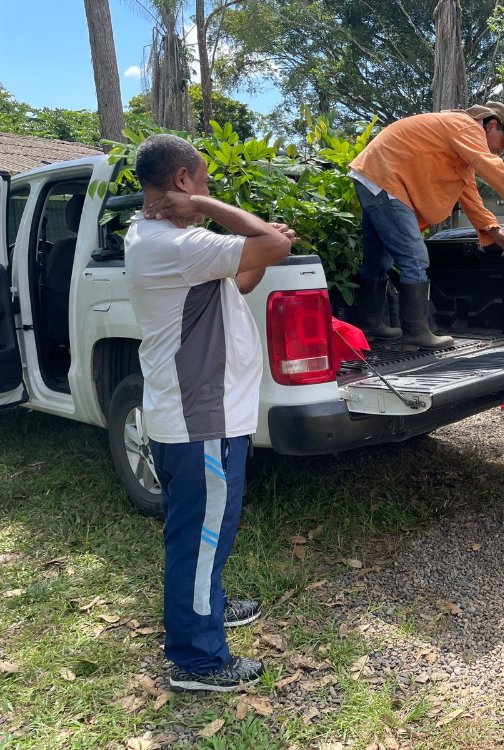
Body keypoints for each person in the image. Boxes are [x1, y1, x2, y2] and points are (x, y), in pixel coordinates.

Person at [125, 134, 295, 691]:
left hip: (196, 415)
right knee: (201, 536)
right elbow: (269, 242)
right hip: (202, 421)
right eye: (202, 183)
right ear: (182, 183)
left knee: (198, 532)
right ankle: (199, 659)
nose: (206, 191)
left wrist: (263, 247)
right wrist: (206, 210)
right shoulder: (176, 243)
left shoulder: (165, 242)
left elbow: (245, 272)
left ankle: (206, 606)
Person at [348, 101, 504, 348]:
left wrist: (494, 231)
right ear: (491, 124)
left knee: (379, 259)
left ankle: (370, 324)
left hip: (372, 176)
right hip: (384, 179)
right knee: (416, 259)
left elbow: (469, 194)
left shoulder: (458, 142)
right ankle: (416, 333)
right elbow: (493, 168)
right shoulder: (466, 127)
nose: (502, 151)